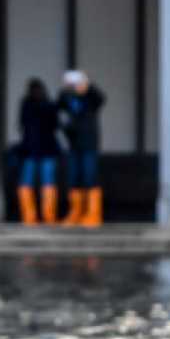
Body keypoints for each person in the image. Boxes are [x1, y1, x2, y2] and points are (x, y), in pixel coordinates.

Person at [56, 70, 106, 227]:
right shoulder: (68, 97)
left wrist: (87, 86)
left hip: (89, 143)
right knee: (73, 178)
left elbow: (101, 99)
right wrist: (66, 87)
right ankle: (75, 212)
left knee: (90, 176)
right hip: (74, 144)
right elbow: (59, 104)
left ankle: (93, 214)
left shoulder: (90, 98)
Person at [16, 78, 61, 226]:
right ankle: (31, 217)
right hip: (33, 149)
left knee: (46, 182)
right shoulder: (29, 104)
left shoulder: (46, 105)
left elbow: (54, 124)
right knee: (30, 183)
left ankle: (45, 216)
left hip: (43, 149)